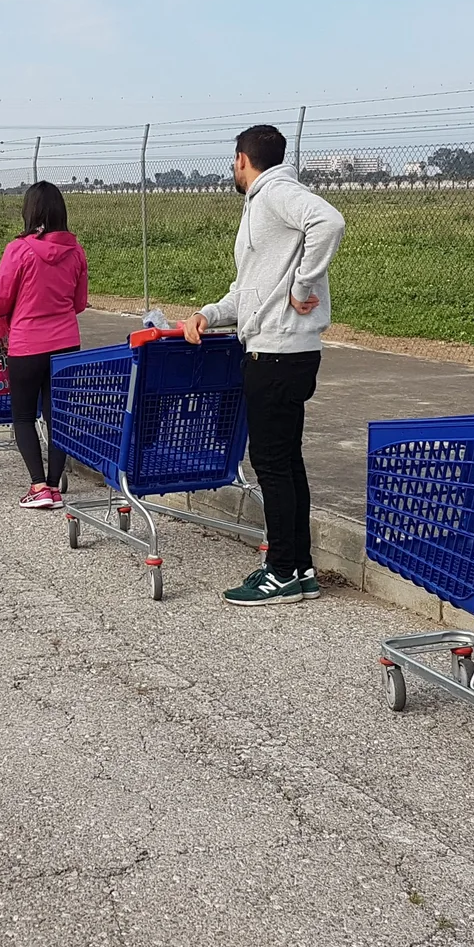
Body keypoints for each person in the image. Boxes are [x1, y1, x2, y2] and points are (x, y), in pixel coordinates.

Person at [182, 124, 343, 607]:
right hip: (284, 349)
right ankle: (301, 568)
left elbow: (329, 222)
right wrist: (208, 315)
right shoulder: (264, 206)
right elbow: (248, 290)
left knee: (271, 463)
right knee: (286, 462)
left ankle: (280, 572)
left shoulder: (275, 193)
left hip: (276, 352)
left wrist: (302, 287)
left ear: (241, 160)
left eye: (234, 162)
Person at [0, 182, 88, 509]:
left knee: (23, 416)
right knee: (57, 416)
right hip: (66, 345)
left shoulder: (18, 250)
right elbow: (79, 303)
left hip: (26, 346)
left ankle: (38, 487)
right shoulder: (76, 251)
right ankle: (54, 484)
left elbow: (0, 304)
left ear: (29, 212)